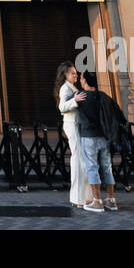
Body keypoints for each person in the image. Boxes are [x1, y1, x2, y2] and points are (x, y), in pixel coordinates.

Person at [76, 71, 126, 212]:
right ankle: (111, 199)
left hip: (89, 136)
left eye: (81, 78)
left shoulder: (81, 98)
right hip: (104, 137)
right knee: (107, 167)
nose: (80, 81)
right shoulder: (104, 96)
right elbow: (118, 114)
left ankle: (97, 201)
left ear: (85, 81)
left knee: (92, 167)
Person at [56, 61, 90, 208]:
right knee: (78, 159)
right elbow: (62, 107)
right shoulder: (65, 88)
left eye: (76, 73)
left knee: (80, 159)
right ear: (65, 74)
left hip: (76, 124)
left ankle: (83, 197)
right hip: (72, 124)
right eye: (72, 73)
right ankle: (79, 198)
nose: (75, 75)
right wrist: (75, 100)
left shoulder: (71, 87)